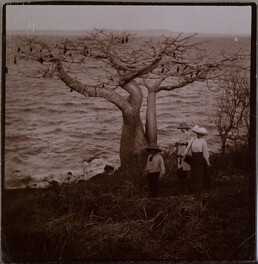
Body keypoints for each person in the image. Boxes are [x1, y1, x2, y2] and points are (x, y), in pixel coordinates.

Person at [183, 125, 211, 193]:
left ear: (202, 135)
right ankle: (193, 187)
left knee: (199, 173)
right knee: (193, 172)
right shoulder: (193, 139)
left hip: (200, 158)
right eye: (198, 134)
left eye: (201, 134)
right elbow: (188, 147)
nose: (199, 135)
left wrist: (207, 161)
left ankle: (198, 187)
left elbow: (205, 152)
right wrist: (184, 154)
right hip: (194, 157)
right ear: (196, 133)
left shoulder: (203, 141)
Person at [175, 122, 191, 193]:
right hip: (180, 149)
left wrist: (187, 152)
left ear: (186, 128)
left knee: (183, 166)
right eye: (181, 128)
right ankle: (182, 184)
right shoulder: (182, 134)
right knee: (180, 166)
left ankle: (184, 185)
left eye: (183, 128)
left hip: (184, 149)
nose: (182, 129)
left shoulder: (187, 134)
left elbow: (189, 143)